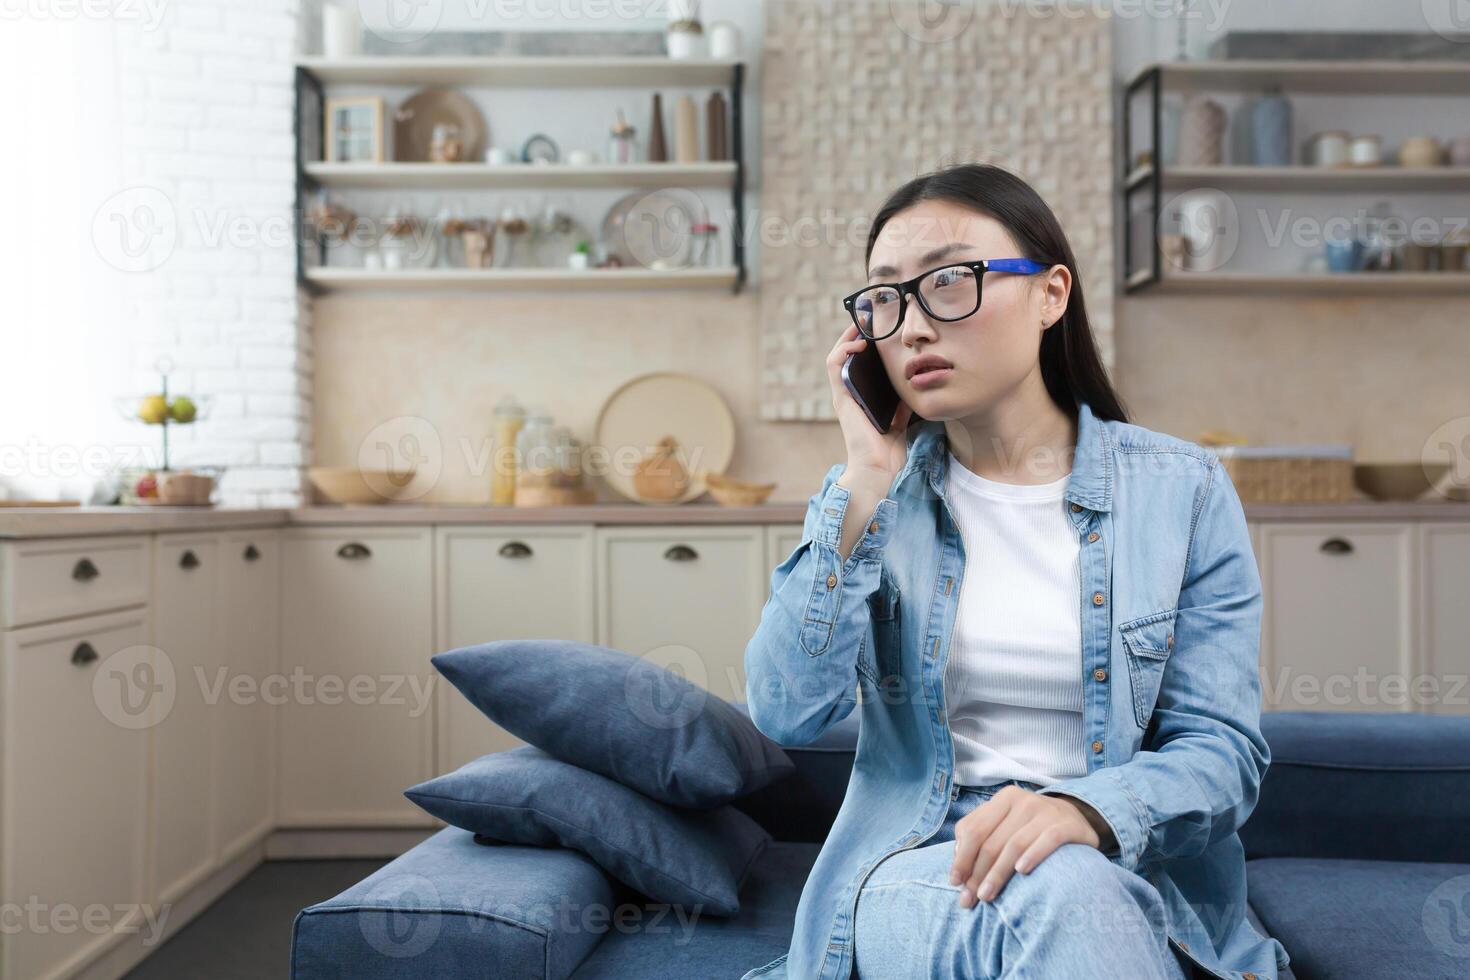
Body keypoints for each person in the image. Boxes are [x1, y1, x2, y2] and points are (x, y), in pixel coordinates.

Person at [740, 163, 1291, 980]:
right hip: (921, 863)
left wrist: (1083, 809)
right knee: (1064, 889)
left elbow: (1222, 752)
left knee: (1073, 883)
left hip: (1124, 864)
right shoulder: (869, 503)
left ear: (1051, 294)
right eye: (886, 297)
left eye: (951, 281)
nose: (914, 328)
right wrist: (862, 482)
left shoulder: (1183, 492)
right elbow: (787, 710)